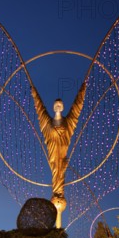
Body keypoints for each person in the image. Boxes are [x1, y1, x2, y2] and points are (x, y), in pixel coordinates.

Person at [31, 82, 86, 228]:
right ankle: (57, 195)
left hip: (62, 155)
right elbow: (40, 110)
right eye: (56, 104)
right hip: (53, 155)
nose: (58, 106)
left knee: (60, 171)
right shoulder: (47, 124)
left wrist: (82, 90)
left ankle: (59, 195)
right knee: (56, 171)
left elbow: (76, 109)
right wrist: (35, 93)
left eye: (60, 104)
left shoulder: (68, 123)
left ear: (63, 107)